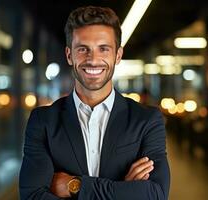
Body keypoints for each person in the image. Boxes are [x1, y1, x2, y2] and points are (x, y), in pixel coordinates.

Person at [19, 6, 170, 200]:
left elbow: (156, 194)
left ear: (118, 55)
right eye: (83, 49)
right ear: (69, 55)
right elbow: (32, 196)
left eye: (103, 49)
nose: (93, 60)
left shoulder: (147, 120)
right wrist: (124, 190)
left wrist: (75, 185)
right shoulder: (42, 121)